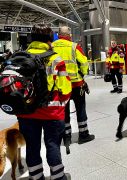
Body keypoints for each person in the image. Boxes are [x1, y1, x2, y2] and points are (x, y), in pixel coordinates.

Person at [17, 24, 72, 180]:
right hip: (51, 112)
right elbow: (65, 88)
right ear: (49, 39)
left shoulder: (20, 57)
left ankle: (36, 177)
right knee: (53, 145)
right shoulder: (55, 58)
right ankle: (58, 177)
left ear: (32, 39)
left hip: (26, 112)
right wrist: (61, 105)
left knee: (32, 147)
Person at [52, 26, 95, 145]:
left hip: (60, 86)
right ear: (69, 35)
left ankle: (66, 137)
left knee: (64, 111)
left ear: (59, 34)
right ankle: (83, 135)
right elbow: (84, 63)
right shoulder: (74, 46)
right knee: (80, 108)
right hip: (76, 84)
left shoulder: (52, 46)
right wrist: (83, 74)